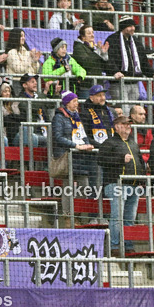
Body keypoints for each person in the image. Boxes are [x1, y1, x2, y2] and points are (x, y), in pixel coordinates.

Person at [99, 116, 146, 251]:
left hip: (134, 185)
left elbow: (140, 162)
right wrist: (121, 159)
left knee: (129, 218)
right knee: (117, 217)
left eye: (129, 124)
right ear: (116, 126)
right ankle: (114, 245)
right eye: (125, 124)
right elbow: (101, 160)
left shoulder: (133, 143)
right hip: (116, 184)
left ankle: (128, 245)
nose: (128, 127)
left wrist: (142, 181)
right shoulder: (109, 143)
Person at [51, 92, 96, 225]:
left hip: (80, 156)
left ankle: (78, 213)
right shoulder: (59, 118)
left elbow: (82, 135)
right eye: (74, 101)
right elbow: (58, 137)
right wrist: (75, 145)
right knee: (68, 187)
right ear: (67, 103)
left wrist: (87, 144)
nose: (77, 103)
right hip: (67, 154)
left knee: (84, 186)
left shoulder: (77, 117)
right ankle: (68, 216)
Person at [106, 18, 154, 104]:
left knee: (132, 111)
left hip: (134, 83)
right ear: (123, 27)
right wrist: (115, 72)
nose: (133, 28)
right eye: (130, 26)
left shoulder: (136, 41)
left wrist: (153, 74)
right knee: (124, 110)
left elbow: (143, 61)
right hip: (119, 83)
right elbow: (109, 59)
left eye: (134, 26)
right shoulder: (112, 40)